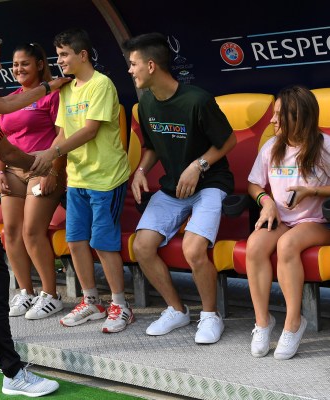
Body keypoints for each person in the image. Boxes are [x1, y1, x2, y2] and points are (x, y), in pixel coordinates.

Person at [122, 32, 236, 344]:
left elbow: (228, 141)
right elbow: (151, 147)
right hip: (173, 189)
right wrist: (140, 171)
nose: (130, 71)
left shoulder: (197, 99)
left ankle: (211, 316)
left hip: (210, 184)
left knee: (193, 248)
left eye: (133, 64)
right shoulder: (144, 103)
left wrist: (198, 165)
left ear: (150, 65)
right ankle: (177, 310)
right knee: (141, 246)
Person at [0, 27, 70, 395]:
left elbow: (8, 104)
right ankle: (13, 373)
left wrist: (50, 87)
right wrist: (45, 164)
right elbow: (8, 152)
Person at [35, 28, 133, 333]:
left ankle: (121, 305)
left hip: (106, 177)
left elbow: (90, 130)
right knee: (75, 240)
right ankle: (92, 301)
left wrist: (51, 153)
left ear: (82, 55)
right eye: (58, 54)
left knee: (103, 243)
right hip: (77, 178)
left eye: (64, 54)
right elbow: (63, 131)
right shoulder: (66, 89)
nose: (60, 60)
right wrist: (52, 157)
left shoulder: (102, 84)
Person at [246, 85, 330, 360]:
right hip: (282, 217)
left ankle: (293, 322)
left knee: (287, 244)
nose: (272, 121)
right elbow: (253, 183)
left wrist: (312, 191)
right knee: (255, 245)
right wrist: (266, 202)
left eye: (279, 115)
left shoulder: (324, 145)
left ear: (300, 116)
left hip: (317, 221)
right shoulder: (271, 147)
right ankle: (262, 322)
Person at [0, 43, 66, 320]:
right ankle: (26, 291)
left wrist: (53, 172)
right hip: (12, 170)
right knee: (10, 232)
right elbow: (1, 141)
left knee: (31, 231)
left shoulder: (53, 95)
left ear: (39, 64)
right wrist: (0, 172)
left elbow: (63, 137)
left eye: (24, 63)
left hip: (43, 168)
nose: (18, 69)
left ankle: (51, 295)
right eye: (14, 65)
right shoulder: (12, 99)